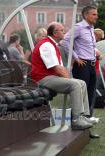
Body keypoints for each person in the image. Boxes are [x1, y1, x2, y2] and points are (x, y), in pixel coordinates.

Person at [31, 22, 97, 130]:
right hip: (42, 79)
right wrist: (69, 79)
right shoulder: (46, 45)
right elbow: (57, 68)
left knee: (82, 83)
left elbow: (59, 69)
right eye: (62, 30)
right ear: (55, 33)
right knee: (75, 84)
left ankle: (83, 116)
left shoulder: (52, 44)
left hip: (50, 77)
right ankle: (76, 120)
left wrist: (68, 78)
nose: (64, 32)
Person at [60, 6, 100, 138]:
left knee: (90, 97)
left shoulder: (91, 28)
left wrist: (95, 53)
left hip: (92, 65)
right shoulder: (78, 27)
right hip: (82, 66)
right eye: (94, 14)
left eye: (96, 14)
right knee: (81, 96)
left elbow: (88, 47)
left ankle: (87, 130)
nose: (96, 16)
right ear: (86, 15)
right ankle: (75, 127)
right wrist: (76, 58)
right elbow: (64, 41)